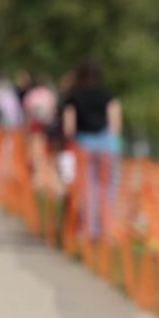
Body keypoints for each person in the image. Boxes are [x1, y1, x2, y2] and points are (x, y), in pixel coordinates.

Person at [61, 58, 122, 241]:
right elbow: (115, 125)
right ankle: (106, 231)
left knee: (88, 188)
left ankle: (88, 230)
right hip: (107, 145)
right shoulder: (108, 96)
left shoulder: (72, 98)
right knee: (107, 189)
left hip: (84, 145)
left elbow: (68, 128)